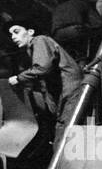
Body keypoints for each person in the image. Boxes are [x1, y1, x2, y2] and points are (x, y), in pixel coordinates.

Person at [6, 20, 84, 151]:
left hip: (71, 90)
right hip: (63, 93)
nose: (13, 37)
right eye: (11, 34)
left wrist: (19, 78)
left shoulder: (39, 40)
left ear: (30, 32)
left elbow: (42, 68)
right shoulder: (32, 49)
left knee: (64, 134)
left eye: (16, 32)